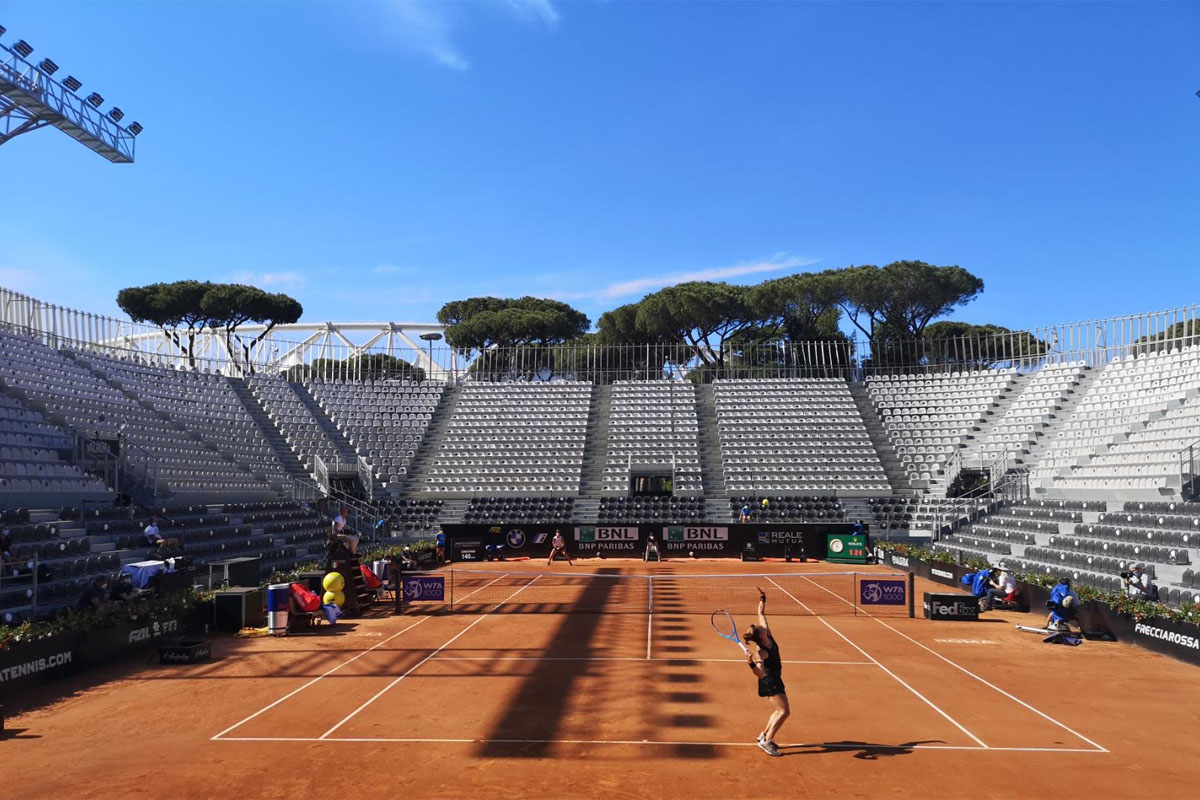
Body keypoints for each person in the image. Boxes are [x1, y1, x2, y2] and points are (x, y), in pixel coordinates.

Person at [744, 586, 789, 757]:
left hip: (775, 678)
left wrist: (763, 598)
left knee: (778, 710)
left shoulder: (767, 635)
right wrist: (751, 664)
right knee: (784, 711)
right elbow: (760, 674)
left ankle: (763, 735)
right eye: (760, 627)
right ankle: (767, 741)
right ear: (760, 635)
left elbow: (761, 613)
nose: (762, 625)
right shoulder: (761, 651)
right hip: (770, 681)